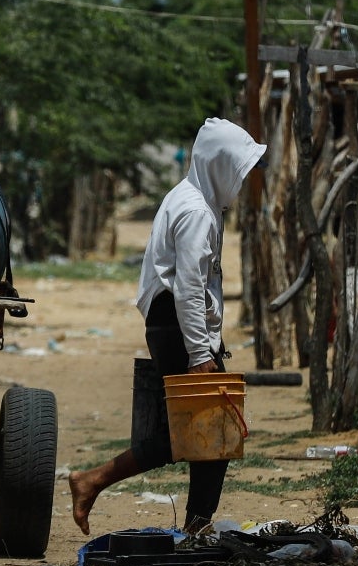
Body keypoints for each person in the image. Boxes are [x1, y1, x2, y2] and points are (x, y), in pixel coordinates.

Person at [68, 117, 267, 536]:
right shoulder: (196, 211)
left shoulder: (194, 201)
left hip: (173, 325)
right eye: (239, 170)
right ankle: (95, 482)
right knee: (203, 431)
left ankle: (195, 524)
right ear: (220, 165)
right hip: (178, 326)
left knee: (205, 431)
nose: (243, 181)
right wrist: (199, 353)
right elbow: (189, 288)